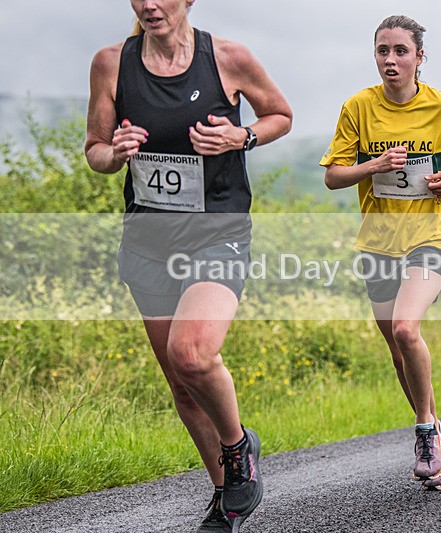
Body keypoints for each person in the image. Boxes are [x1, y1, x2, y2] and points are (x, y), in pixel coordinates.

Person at [85, 1, 291, 531]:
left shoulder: (228, 58)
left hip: (216, 234)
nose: (150, 4)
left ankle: (239, 446)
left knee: (192, 353)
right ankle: (226, 496)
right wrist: (116, 151)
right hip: (148, 242)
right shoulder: (112, 62)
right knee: (180, 383)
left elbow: (281, 116)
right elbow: (95, 151)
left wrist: (240, 136)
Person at [320, 15, 441, 490]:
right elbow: (333, 176)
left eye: (400, 51)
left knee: (405, 327)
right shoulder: (358, 107)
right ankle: (436, 431)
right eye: (382, 51)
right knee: (397, 348)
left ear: (419, 58)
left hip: (432, 234)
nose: (390, 60)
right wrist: (373, 164)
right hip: (377, 241)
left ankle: (422, 433)